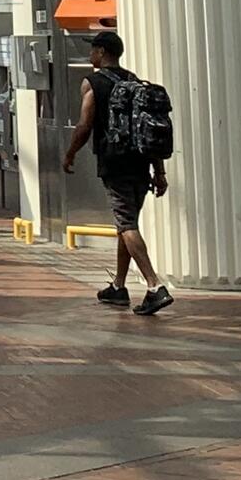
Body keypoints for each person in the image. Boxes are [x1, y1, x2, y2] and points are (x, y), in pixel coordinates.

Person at [61, 28, 172, 315]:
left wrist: (70, 153)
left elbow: (85, 124)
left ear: (100, 53)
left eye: (93, 50)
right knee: (127, 221)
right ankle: (119, 287)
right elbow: (148, 125)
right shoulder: (134, 81)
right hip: (142, 162)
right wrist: (159, 171)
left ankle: (154, 286)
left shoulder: (92, 83)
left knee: (126, 224)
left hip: (114, 162)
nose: (90, 54)